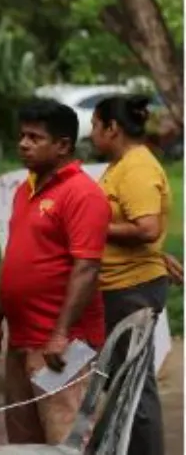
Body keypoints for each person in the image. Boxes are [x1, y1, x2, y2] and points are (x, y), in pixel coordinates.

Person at [0, 99, 111, 445]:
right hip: (22, 339)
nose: (23, 144)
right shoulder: (23, 191)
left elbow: (87, 267)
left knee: (65, 440)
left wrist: (60, 335)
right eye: (22, 136)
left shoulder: (83, 194)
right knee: (24, 442)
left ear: (63, 145)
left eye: (34, 137)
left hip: (60, 346)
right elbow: (16, 258)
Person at [90, 94, 171, 455]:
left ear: (113, 128)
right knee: (122, 384)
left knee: (135, 386)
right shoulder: (122, 163)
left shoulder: (137, 167)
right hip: (119, 285)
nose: (92, 133)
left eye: (95, 125)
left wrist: (92, 227)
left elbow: (148, 228)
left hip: (132, 288)